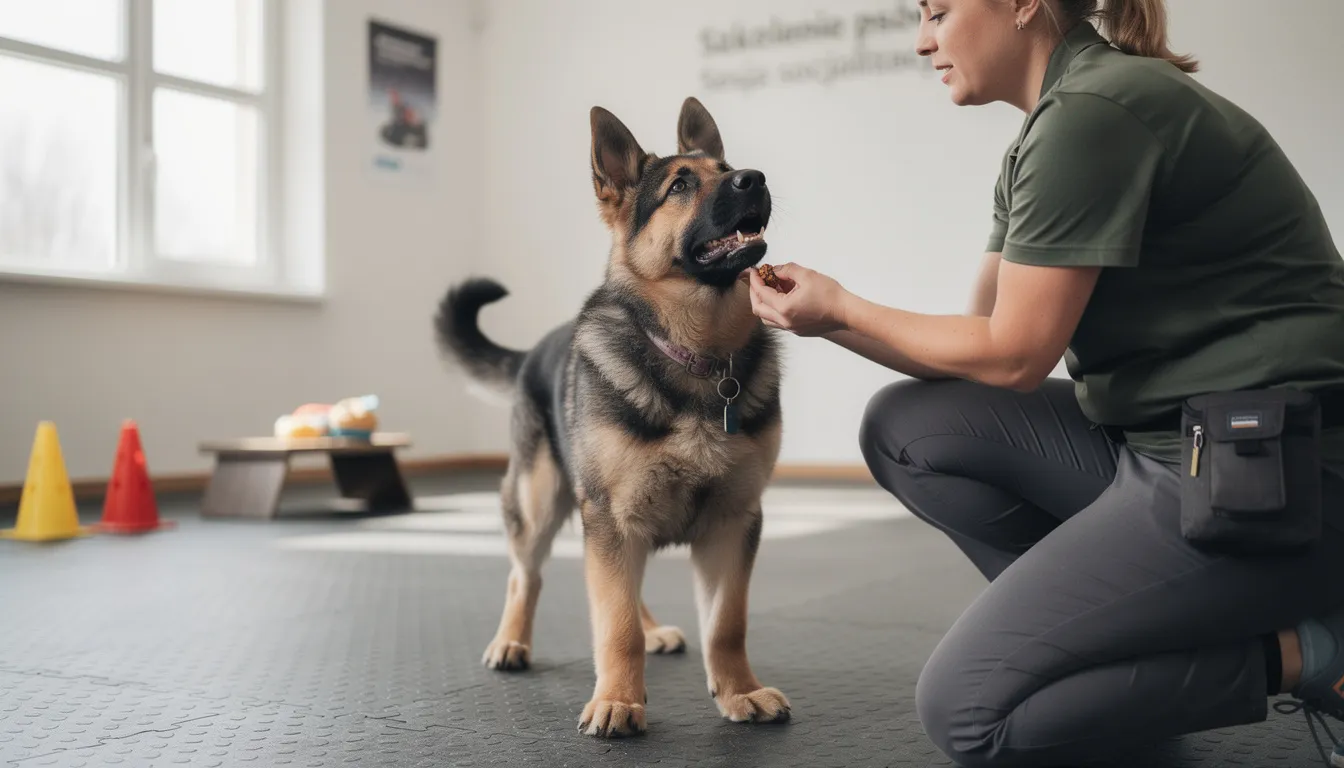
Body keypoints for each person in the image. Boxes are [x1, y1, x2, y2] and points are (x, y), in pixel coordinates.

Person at [740, 0, 1344, 766]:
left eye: (938, 10)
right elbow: (978, 346)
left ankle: (1319, 651)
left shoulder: (1093, 114)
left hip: (1281, 479)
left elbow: (1014, 356)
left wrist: (844, 305)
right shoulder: (1049, 128)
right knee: (909, 428)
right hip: (1173, 448)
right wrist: (825, 317)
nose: (923, 39)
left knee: (968, 713)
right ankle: (1116, 661)